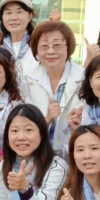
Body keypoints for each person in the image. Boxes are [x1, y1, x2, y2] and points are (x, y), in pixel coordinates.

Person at [19, 21, 85, 157]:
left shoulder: (84, 78)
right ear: (36, 50)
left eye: (57, 45)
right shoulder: (27, 79)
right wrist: (47, 118)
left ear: (68, 47)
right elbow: (26, 123)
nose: (50, 51)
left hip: (74, 154)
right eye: (44, 46)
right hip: (37, 155)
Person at [0, 0, 39, 78]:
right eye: (8, 13)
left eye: (19, 12)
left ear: (30, 16)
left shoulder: (39, 46)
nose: (13, 18)